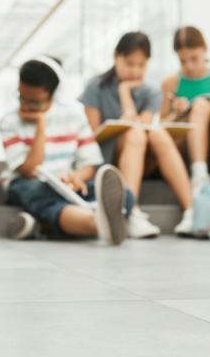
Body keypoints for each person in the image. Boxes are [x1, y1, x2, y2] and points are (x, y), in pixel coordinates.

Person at [0, 56, 134, 245]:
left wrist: (76, 177)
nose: (27, 106)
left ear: (54, 94)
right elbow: (30, 170)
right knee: (40, 192)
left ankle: (44, 226)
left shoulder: (74, 114)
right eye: (23, 98)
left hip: (67, 184)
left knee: (126, 196)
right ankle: (96, 223)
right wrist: (41, 123)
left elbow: (89, 162)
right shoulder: (9, 121)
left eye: (36, 102)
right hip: (29, 183)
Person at [79, 31, 194, 236]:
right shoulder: (95, 87)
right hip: (106, 160)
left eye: (141, 65)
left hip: (141, 157)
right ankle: (131, 211)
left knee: (156, 134)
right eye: (130, 64)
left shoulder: (151, 92)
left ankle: (191, 210)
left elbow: (144, 123)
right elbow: (92, 136)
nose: (135, 71)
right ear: (116, 57)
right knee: (135, 135)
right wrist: (124, 92)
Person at [160, 26, 210, 190]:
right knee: (201, 105)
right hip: (186, 144)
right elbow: (162, 124)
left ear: (204, 50)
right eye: (183, 61)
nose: (190, 66)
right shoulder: (171, 83)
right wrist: (178, 113)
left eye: (194, 58)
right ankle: (199, 174)